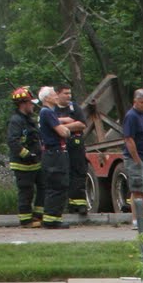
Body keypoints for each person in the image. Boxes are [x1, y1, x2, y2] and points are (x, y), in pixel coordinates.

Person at [5, 86, 43, 227]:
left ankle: (38, 216)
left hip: (35, 162)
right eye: (30, 102)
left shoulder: (28, 119)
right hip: (22, 163)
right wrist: (27, 154)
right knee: (26, 191)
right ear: (23, 104)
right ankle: (26, 221)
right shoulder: (16, 120)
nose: (32, 105)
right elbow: (12, 141)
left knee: (43, 187)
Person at [36, 86, 72, 229]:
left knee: (58, 185)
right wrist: (67, 130)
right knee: (57, 184)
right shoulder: (47, 112)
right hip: (54, 154)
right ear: (46, 98)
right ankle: (52, 219)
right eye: (53, 94)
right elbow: (63, 132)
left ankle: (54, 218)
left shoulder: (47, 113)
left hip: (52, 153)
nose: (56, 96)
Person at [121, 88, 143, 230]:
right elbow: (129, 139)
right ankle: (136, 220)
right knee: (136, 190)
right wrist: (136, 159)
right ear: (135, 101)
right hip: (136, 159)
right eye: (142, 102)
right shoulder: (131, 116)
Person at [53, 83, 89, 220]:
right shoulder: (53, 109)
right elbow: (48, 124)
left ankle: (80, 205)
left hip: (76, 145)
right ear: (57, 94)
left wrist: (60, 126)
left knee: (79, 172)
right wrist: (65, 124)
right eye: (65, 93)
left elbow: (81, 124)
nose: (69, 96)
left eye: (70, 93)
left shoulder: (75, 107)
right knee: (62, 175)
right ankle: (65, 205)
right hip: (60, 147)